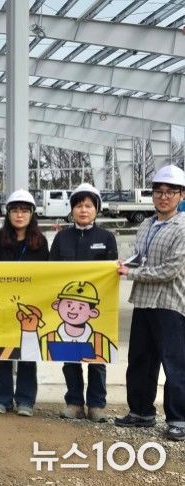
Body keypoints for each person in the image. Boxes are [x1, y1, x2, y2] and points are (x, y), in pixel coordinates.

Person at [116, 165, 185, 442]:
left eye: (170, 192)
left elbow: (170, 270)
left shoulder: (182, 228)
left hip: (170, 303)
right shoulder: (146, 224)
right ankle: (141, 411)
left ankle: (178, 419)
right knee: (141, 359)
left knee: (174, 362)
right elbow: (139, 257)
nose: (163, 197)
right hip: (143, 301)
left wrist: (131, 273)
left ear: (181, 195)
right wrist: (123, 264)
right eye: (158, 191)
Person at [49, 182, 117, 423]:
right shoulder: (61, 238)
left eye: (88, 206)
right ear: (72, 210)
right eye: (79, 206)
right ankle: (74, 403)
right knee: (70, 358)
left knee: (97, 358)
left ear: (96, 209)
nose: (83, 210)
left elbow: (111, 274)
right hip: (69, 311)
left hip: (97, 310)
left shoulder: (106, 238)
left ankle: (97, 405)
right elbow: (50, 272)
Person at [0, 189, 49, 417]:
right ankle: (2, 399)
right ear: (8, 214)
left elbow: (46, 276)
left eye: (24, 210)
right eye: (15, 210)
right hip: (3, 304)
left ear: (32, 214)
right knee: (3, 353)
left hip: (30, 306)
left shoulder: (40, 242)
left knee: (28, 352)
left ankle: (25, 399)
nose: (19, 215)